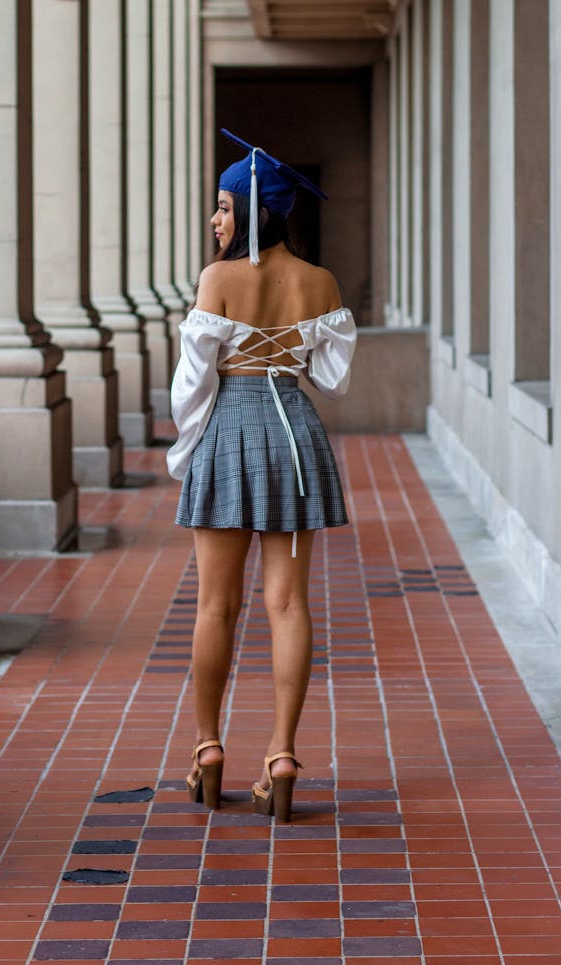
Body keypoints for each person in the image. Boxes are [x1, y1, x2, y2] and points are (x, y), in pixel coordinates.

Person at [167, 129, 356, 823]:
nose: (215, 220)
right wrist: (294, 348)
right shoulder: (321, 282)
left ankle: (208, 748)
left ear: (255, 211)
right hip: (296, 442)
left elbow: (192, 386)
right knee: (289, 605)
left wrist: (183, 458)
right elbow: (331, 380)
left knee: (217, 605)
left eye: (223, 206)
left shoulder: (217, 280)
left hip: (227, 432)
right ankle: (281, 755)